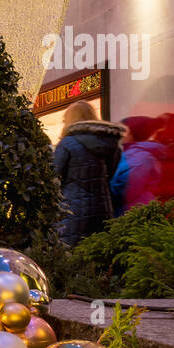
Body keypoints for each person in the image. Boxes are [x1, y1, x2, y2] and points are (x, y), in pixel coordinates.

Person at [53, 101, 124, 245]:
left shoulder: (67, 143)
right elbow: (110, 173)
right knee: (98, 252)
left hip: (72, 209)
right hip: (102, 207)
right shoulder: (110, 144)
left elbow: (54, 176)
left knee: (71, 251)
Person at [110, 115, 166, 215]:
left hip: (134, 214)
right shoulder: (130, 154)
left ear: (134, 133)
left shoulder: (141, 157)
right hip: (130, 212)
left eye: (123, 131)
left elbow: (124, 190)